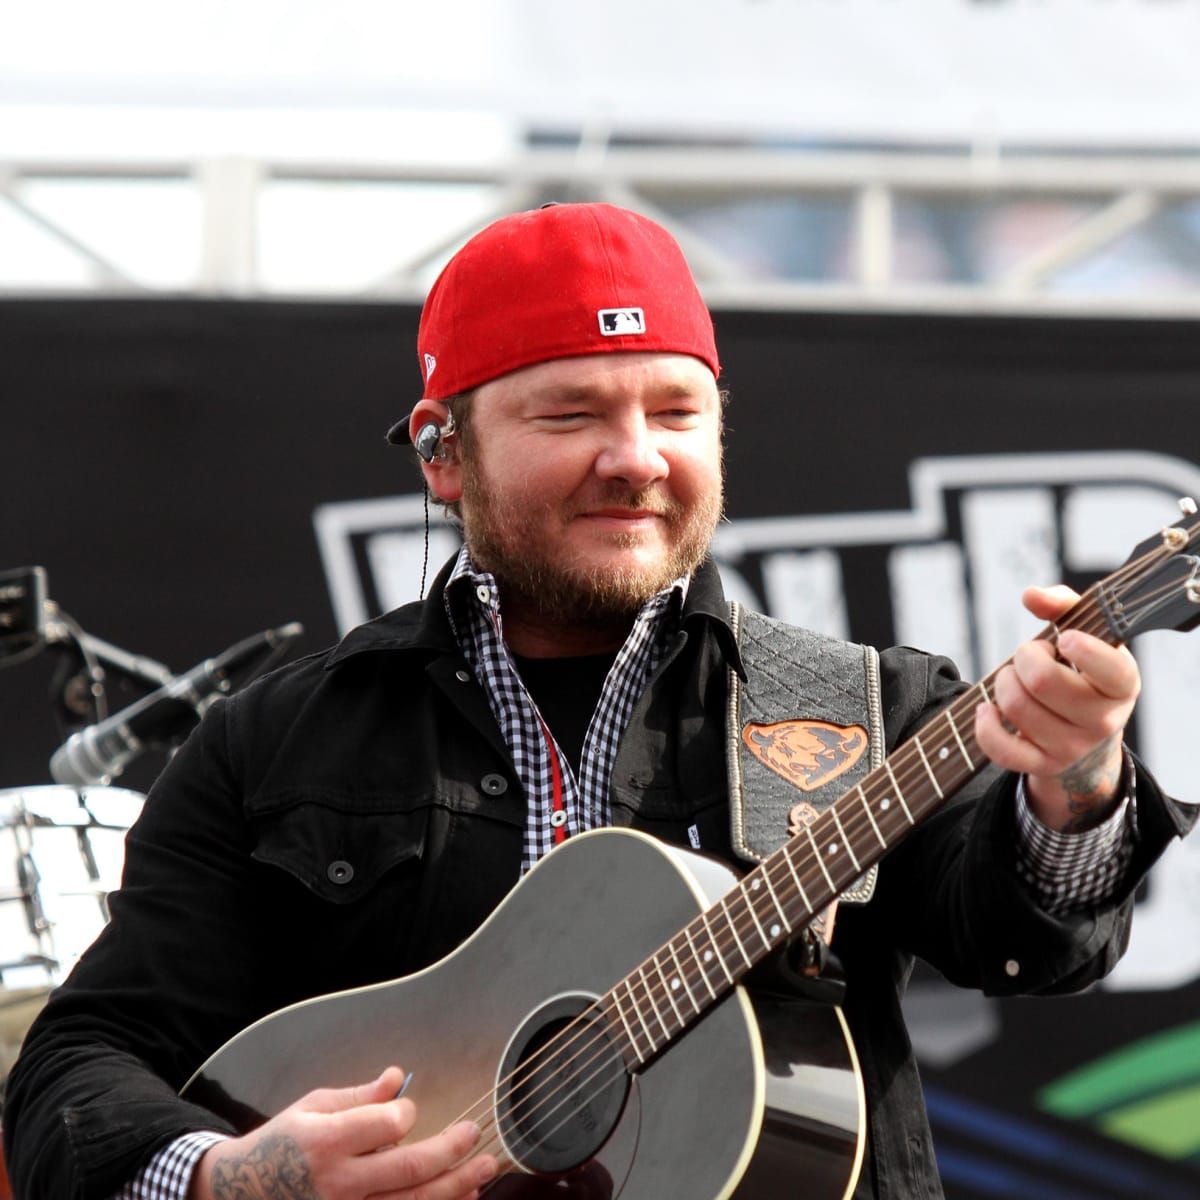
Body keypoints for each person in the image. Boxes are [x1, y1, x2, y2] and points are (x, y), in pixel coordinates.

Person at [2, 202, 1194, 1200]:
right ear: (443, 454)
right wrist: (232, 1175)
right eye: (570, 413)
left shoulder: (866, 706)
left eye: (674, 412)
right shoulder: (277, 741)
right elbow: (79, 1062)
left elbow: (1029, 944)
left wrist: (1075, 779)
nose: (634, 456)